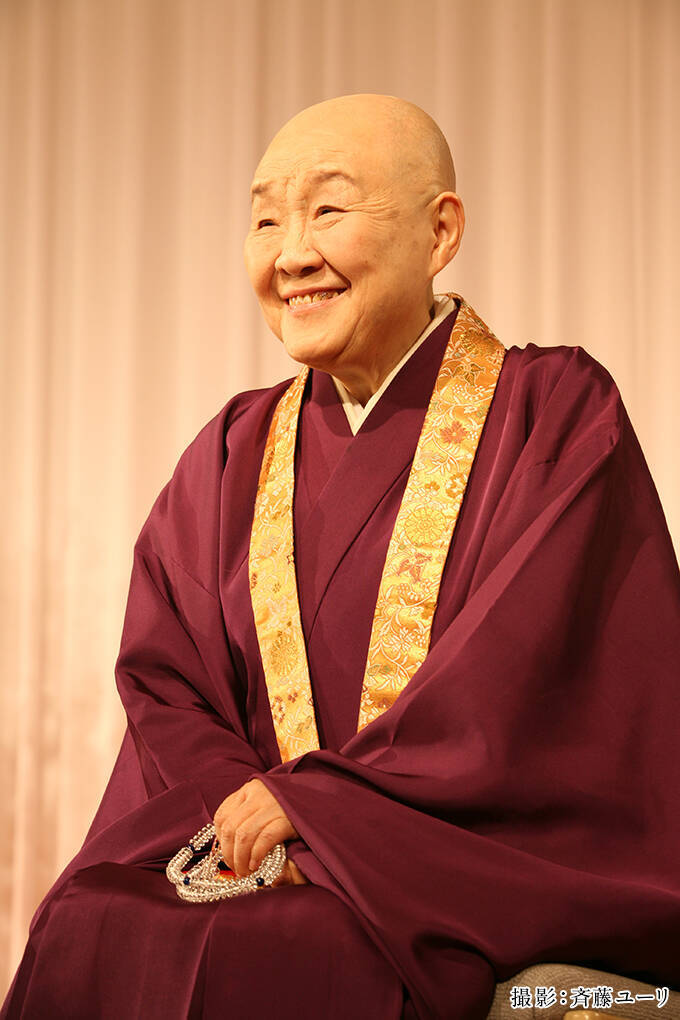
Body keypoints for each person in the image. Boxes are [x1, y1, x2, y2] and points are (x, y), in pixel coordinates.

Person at [3, 93, 680, 1020]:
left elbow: (522, 684)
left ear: (440, 232)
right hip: (250, 843)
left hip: (449, 859)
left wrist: (322, 814)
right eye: (265, 220)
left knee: (294, 947)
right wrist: (249, 812)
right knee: (89, 918)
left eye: (326, 209)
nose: (291, 255)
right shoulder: (233, 449)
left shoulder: (552, 411)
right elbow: (168, 679)